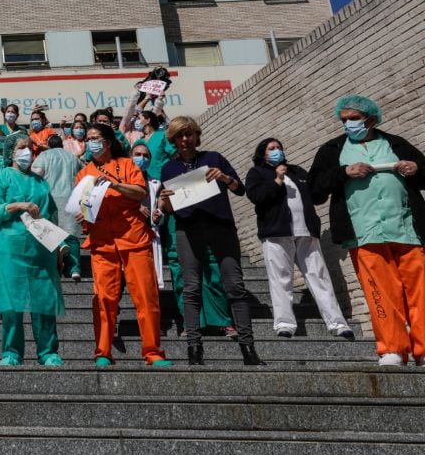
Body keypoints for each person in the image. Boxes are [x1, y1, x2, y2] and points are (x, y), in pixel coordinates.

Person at [309, 95, 425, 366]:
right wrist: (344, 172)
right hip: (363, 233)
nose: (348, 124)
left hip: (407, 229)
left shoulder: (395, 144)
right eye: (345, 120)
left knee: (420, 290)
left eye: (354, 119)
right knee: (381, 292)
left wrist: (416, 168)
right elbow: (314, 190)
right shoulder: (332, 149)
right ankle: (392, 348)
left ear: (371, 119)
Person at [158, 117, 263, 366]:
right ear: (172, 140)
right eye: (179, 136)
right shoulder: (169, 168)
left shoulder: (213, 158)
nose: (184, 140)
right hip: (187, 230)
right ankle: (194, 346)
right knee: (191, 287)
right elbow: (169, 209)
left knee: (235, 285)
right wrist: (165, 199)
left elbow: (240, 189)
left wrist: (225, 178)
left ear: (196, 135)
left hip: (220, 227)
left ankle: (248, 347)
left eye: (188, 134)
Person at [76, 123, 171, 367]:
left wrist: (114, 184)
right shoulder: (83, 173)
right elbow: (83, 206)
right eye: (88, 139)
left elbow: (140, 192)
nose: (91, 142)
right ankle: (103, 352)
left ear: (108, 142)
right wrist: (82, 214)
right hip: (102, 242)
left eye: (96, 138)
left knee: (146, 297)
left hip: (133, 238)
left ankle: (153, 352)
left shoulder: (127, 164)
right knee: (103, 299)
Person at [244, 138, 353, 340]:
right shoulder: (257, 173)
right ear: (262, 154)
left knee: (319, 277)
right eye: (271, 148)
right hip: (276, 234)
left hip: (306, 233)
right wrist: (276, 180)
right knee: (281, 280)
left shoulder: (297, 172)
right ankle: (285, 324)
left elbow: (316, 196)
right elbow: (258, 197)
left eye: (279, 147)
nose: (277, 151)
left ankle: (338, 324)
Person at [0, 134, 64, 365]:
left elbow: (51, 216)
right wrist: (17, 206)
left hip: (40, 249)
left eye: (29, 147)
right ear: (10, 153)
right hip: (8, 248)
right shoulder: (0, 178)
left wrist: (58, 246)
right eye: (21, 147)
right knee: (11, 304)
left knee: (44, 302)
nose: (26, 151)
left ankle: (48, 351)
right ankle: (11, 352)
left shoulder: (40, 182)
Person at [32, 134, 83, 282]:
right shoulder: (72, 157)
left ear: (48, 144)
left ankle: (55, 267)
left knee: (52, 233)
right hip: (71, 199)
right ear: (62, 144)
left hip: (51, 199)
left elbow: (36, 175)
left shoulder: (44, 156)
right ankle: (74, 268)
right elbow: (84, 171)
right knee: (72, 236)